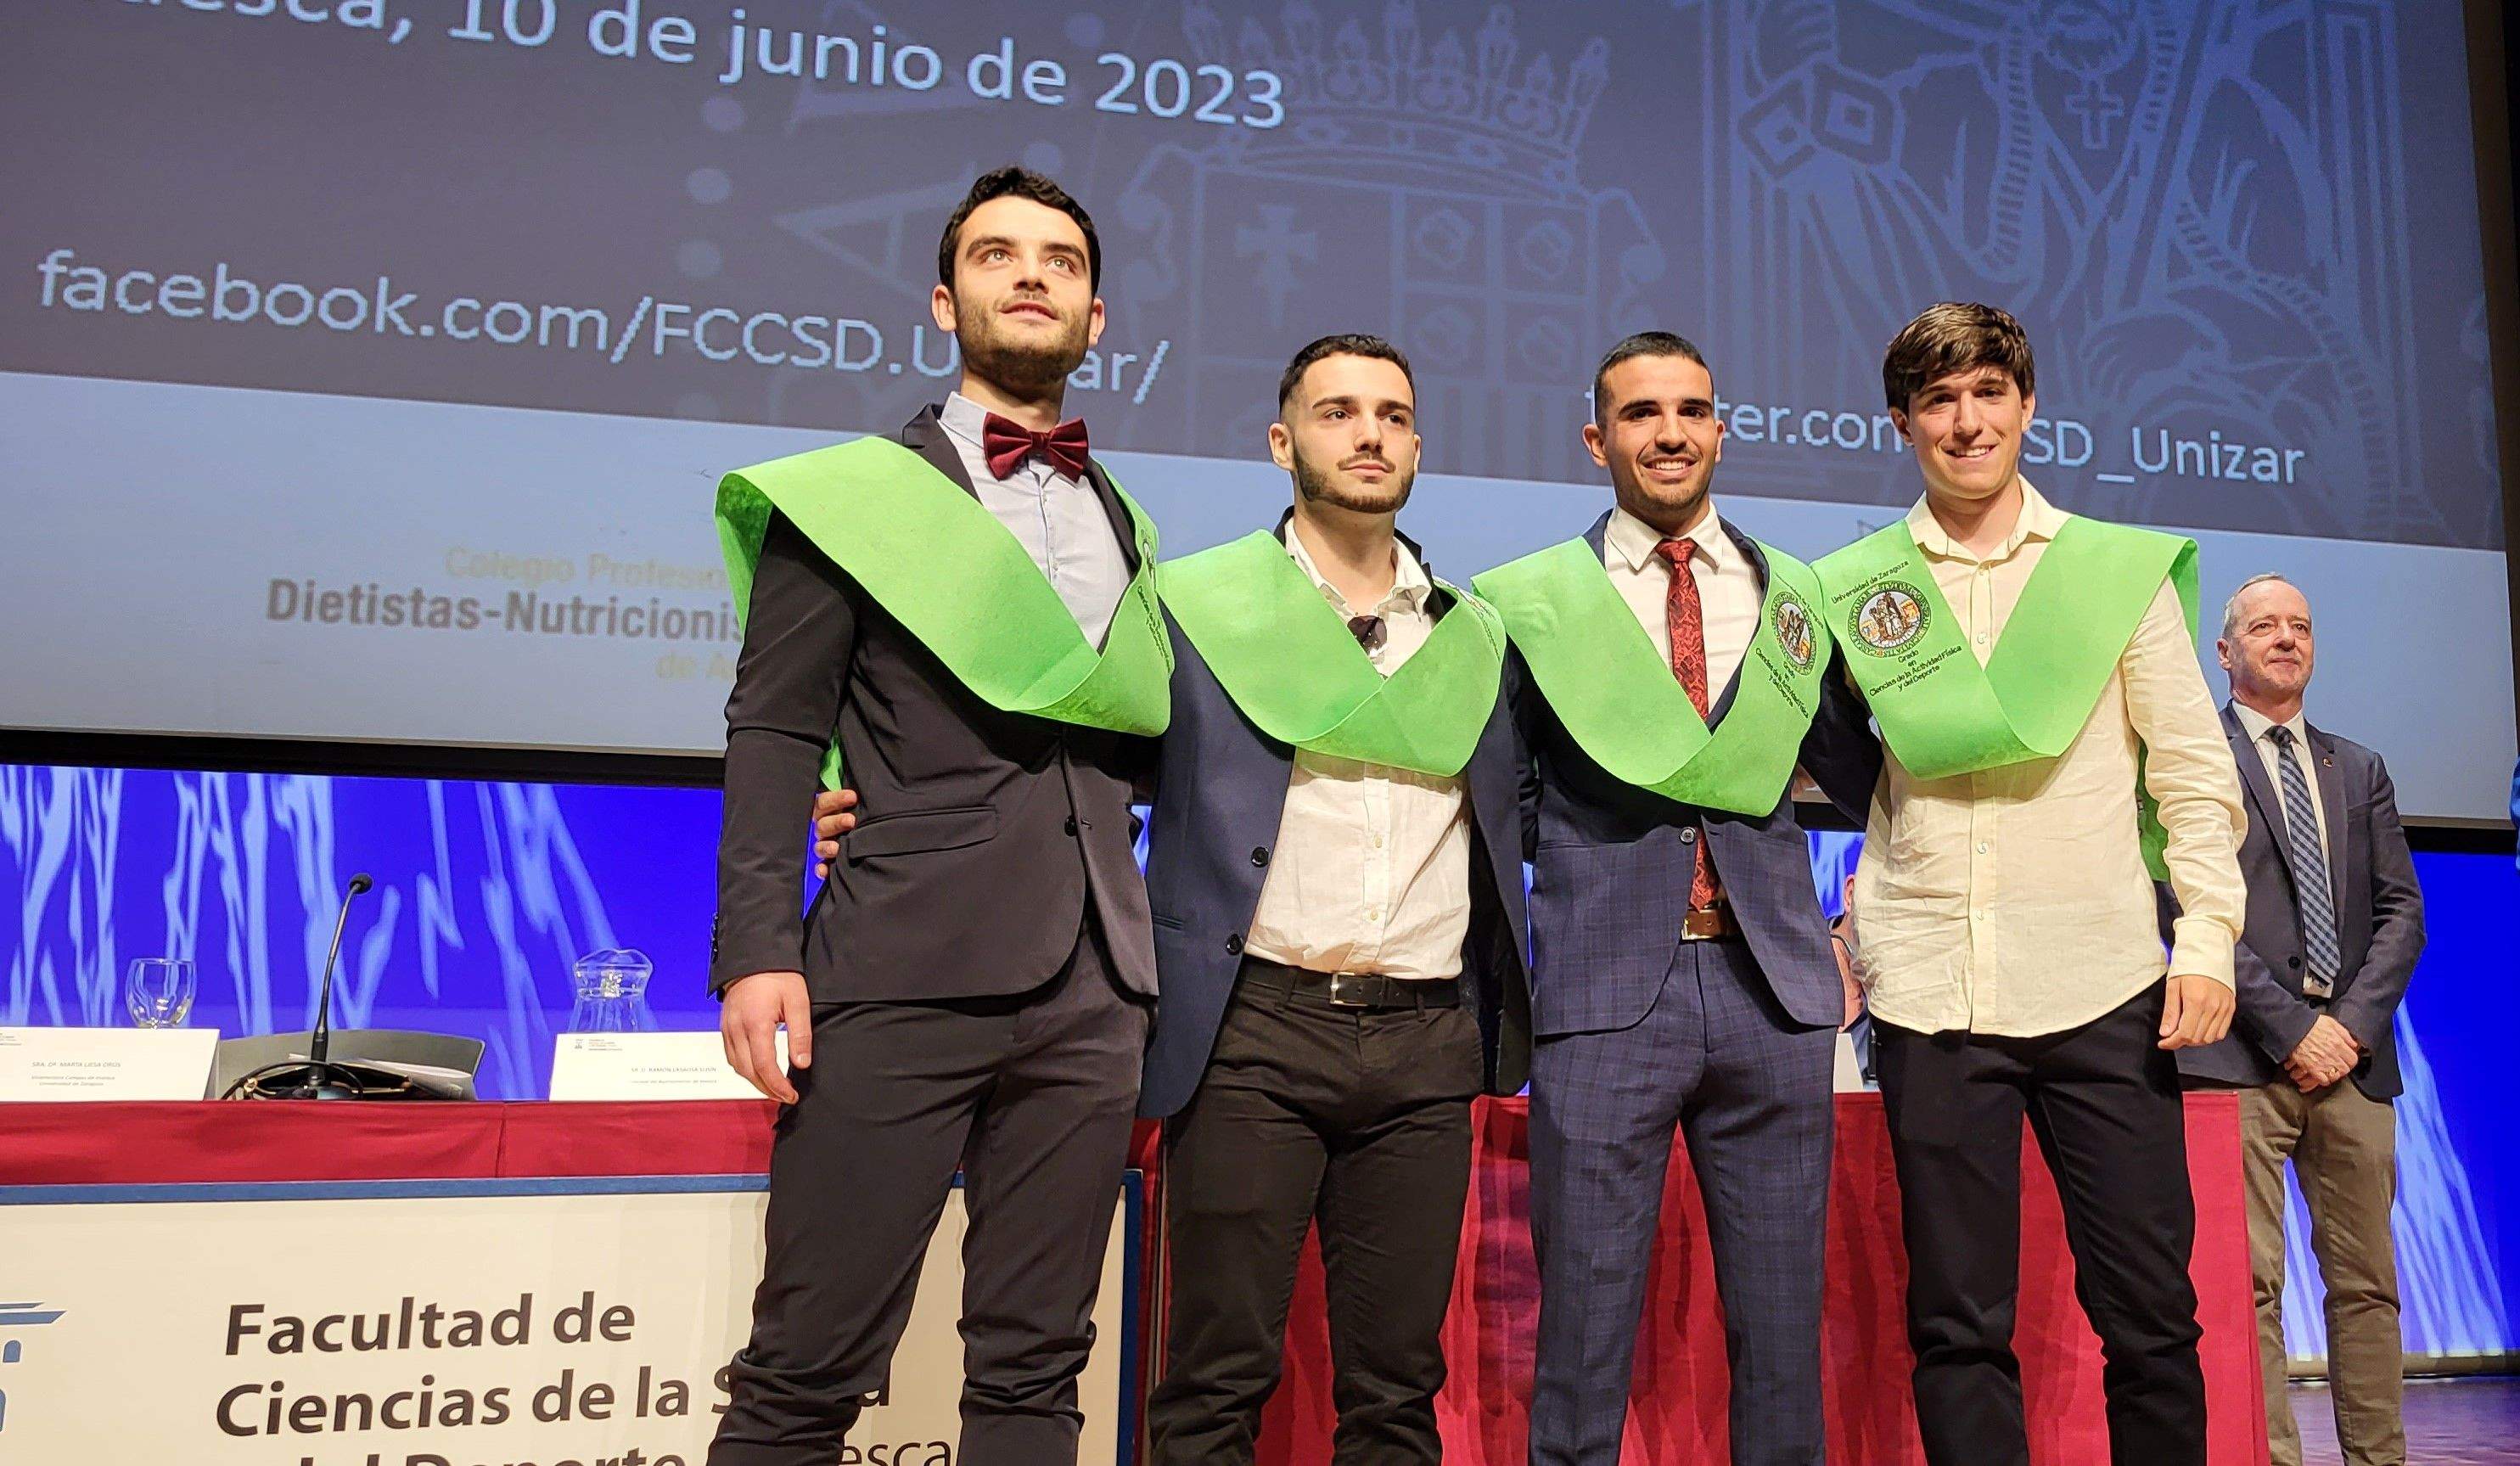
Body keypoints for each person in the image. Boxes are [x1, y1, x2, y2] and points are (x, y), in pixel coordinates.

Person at [817, 334, 1532, 1465]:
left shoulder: (1479, 634)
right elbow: (1069, 772)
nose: (1369, 434)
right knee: (1212, 1383)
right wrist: (875, 799)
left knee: (1398, 1396)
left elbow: (1528, 814)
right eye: (1338, 411)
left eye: (1393, 414)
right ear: (1281, 439)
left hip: (1425, 1043)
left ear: (1418, 443)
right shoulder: (1193, 608)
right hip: (1253, 1032)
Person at [706, 166, 1170, 1466]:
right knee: (808, 1363)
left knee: (1036, 1369)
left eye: (1061, 261)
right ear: (941, 297)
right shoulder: (854, 499)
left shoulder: (1123, 514)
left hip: (1094, 984)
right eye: (996, 254)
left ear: (1095, 319)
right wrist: (757, 945)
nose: (1031, 274)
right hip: (899, 966)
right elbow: (776, 727)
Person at [1820, 301, 2248, 1466]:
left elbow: (2196, 778)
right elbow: (1844, 782)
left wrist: (2205, 941)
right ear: (1903, 422)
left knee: (2152, 1318)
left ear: (2026, 405)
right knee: (1956, 1325)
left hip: (2104, 985)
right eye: (1939, 401)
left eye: (1988, 394)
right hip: (1929, 995)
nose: (1967, 422)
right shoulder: (1851, 588)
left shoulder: (2111, 574)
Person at [1473, 331, 1878, 1466]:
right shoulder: (1534, 602)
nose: (1669, 432)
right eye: (1640, 413)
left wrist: (1862, 930)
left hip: (1775, 993)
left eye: (1690, 409)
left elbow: (1861, 782)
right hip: (1607, 996)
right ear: (1598, 438)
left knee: (1783, 1337)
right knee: (1585, 1334)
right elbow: (1500, 809)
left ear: (1719, 429)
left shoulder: (1796, 592)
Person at [2177, 573, 2424, 1466]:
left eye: (2299, 626)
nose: (2284, 638)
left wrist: (2347, 1026)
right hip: (2236, 1058)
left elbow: (2402, 912)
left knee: (2366, 1286)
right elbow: (2182, 904)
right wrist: (2289, 1028)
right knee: (2246, 1288)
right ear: (2224, 649)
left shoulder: (2356, 766)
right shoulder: (2184, 756)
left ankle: (2377, 1458)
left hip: (2352, 1063)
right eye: (2262, 625)